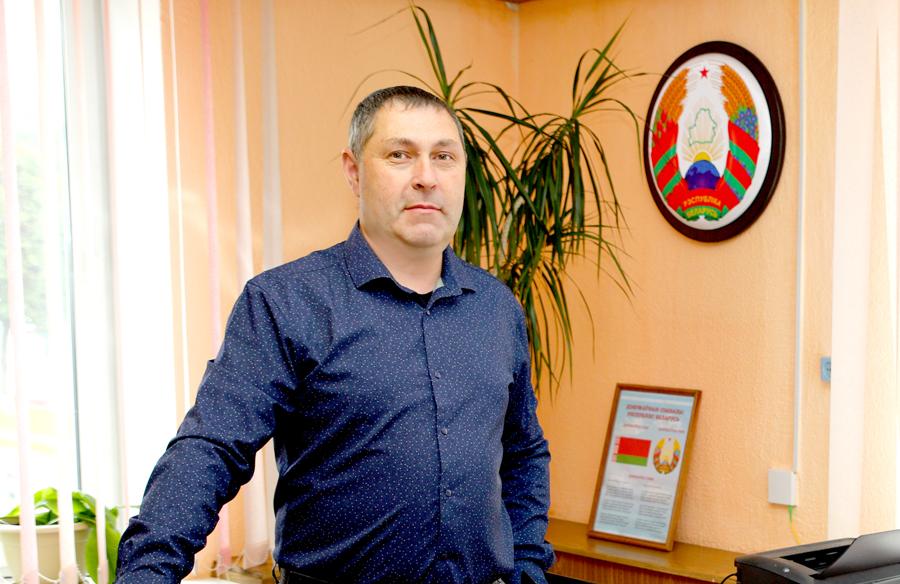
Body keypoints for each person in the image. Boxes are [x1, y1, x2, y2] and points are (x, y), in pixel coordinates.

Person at [116, 85, 554, 584]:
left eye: (443, 157)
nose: (426, 177)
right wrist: (147, 572)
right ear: (354, 171)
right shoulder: (285, 301)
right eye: (399, 155)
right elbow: (211, 448)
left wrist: (528, 565)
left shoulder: (496, 308)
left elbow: (523, 450)